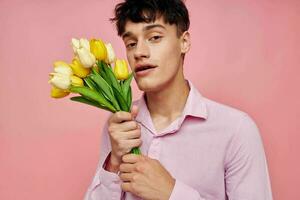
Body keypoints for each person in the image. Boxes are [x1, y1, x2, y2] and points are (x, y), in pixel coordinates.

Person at [84, 0, 273, 199]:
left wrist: (171, 193)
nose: (139, 52)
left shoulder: (236, 130)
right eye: (131, 43)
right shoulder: (121, 125)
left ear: (184, 42)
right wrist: (113, 162)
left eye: (154, 37)